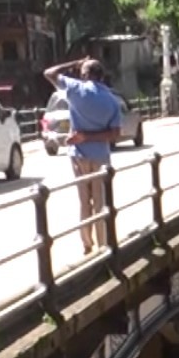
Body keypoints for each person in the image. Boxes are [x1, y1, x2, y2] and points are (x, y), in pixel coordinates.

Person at [43, 57, 122, 256]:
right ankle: (103, 244)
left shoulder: (76, 89)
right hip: (100, 155)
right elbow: (115, 133)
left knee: (84, 202)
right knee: (100, 201)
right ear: (101, 76)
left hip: (78, 154)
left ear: (85, 74)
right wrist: (90, 136)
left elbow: (49, 73)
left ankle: (87, 244)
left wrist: (74, 63)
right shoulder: (111, 100)